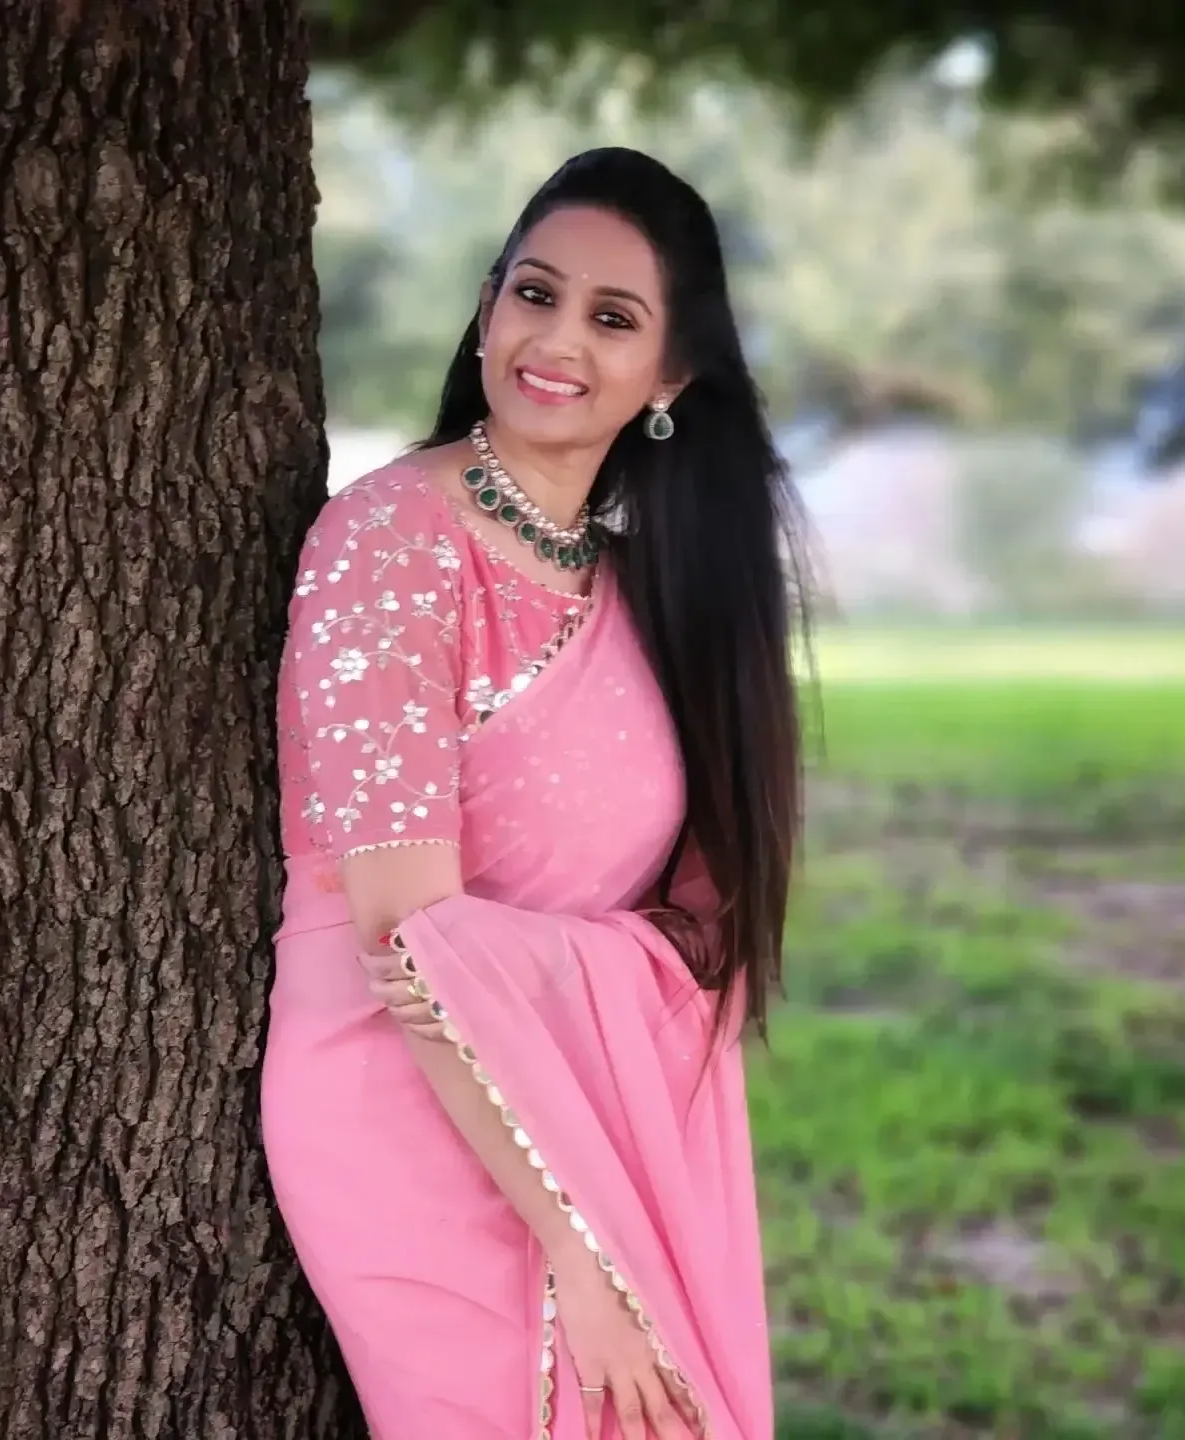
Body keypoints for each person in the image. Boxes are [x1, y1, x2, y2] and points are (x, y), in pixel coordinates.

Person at [262, 146, 805, 1439]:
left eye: (612, 318)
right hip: (407, 1109)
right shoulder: (390, 544)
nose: (555, 339)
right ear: (489, 305)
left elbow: (686, 925)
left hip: (589, 1121)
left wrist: (602, 1210)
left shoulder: (642, 588)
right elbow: (413, 943)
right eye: (533, 292)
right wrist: (581, 1250)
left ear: (670, 378)